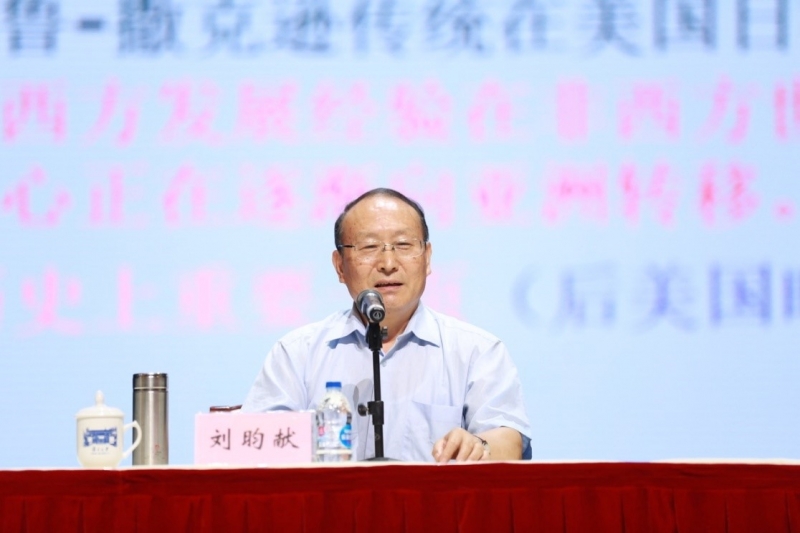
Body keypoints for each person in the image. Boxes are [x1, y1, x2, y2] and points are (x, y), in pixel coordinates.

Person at [242, 188, 532, 462]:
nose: (388, 263)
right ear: (340, 266)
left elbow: (509, 440)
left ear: (427, 258)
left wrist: (479, 446)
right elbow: (254, 447)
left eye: (404, 245)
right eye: (369, 247)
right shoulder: (297, 354)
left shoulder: (477, 351)